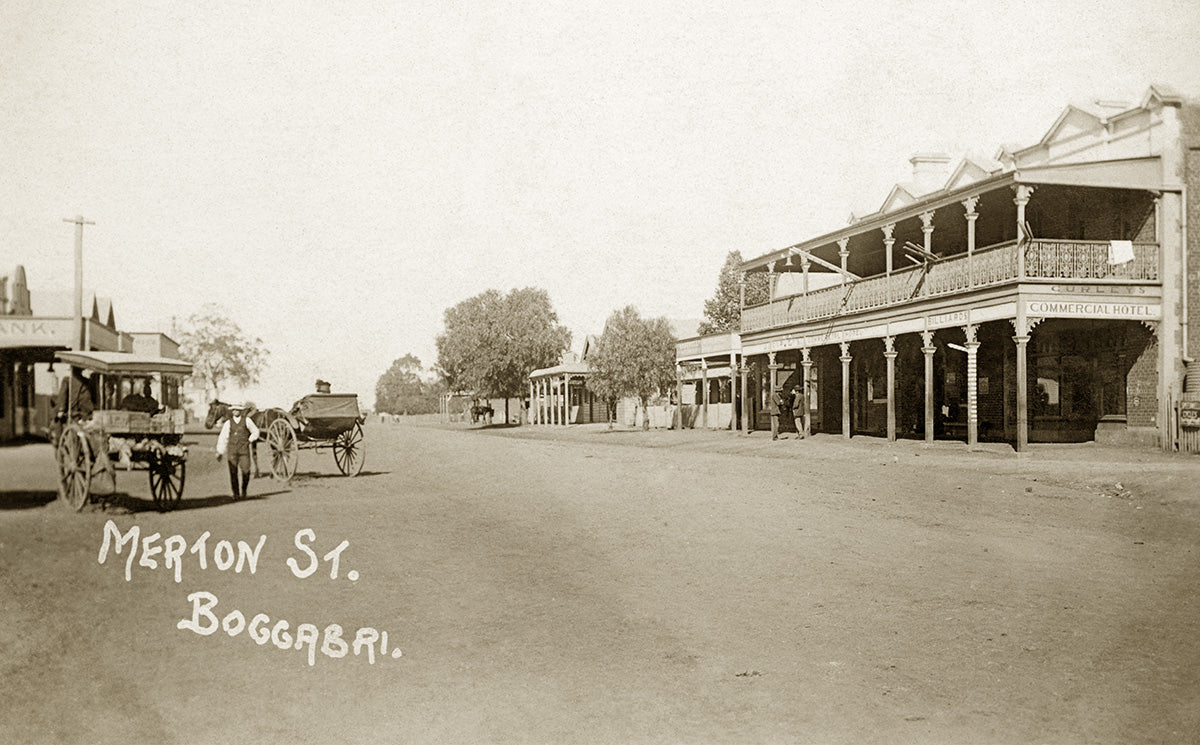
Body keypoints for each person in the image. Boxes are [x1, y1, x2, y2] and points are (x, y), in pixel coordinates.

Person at [216, 402, 259, 499]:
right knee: (233, 472)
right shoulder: (228, 423)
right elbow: (223, 438)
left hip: (244, 450)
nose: (236, 411)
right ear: (232, 411)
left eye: (238, 409)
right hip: (232, 451)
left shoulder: (247, 420)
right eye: (234, 410)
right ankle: (236, 493)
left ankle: (244, 490)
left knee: (246, 471)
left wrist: (250, 439)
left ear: (241, 410)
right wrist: (220, 451)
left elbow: (256, 431)